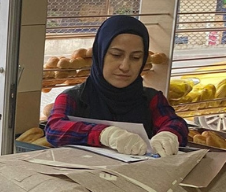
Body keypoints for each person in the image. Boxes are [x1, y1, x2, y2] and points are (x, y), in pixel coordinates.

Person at [46, 15, 187, 157]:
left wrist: (169, 135)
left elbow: (176, 124)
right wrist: (104, 134)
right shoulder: (74, 98)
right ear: (100, 54)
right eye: (116, 55)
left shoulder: (151, 99)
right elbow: (55, 129)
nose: (125, 66)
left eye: (136, 58)